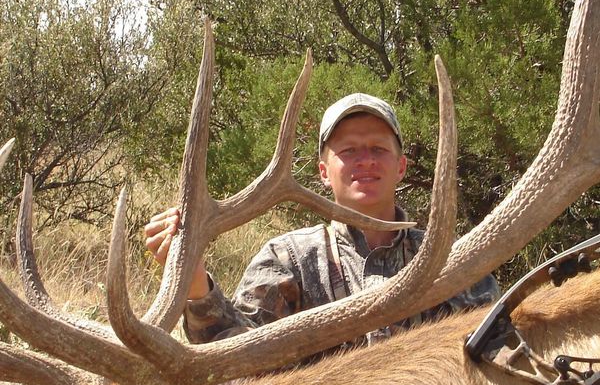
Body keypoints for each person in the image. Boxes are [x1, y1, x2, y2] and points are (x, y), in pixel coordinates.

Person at [145, 93, 499, 348]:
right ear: (323, 172)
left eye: (378, 149)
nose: (365, 160)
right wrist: (195, 285)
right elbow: (236, 357)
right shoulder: (289, 259)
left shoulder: (450, 259)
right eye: (348, 151)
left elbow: (498, 347)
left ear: (401, 167)